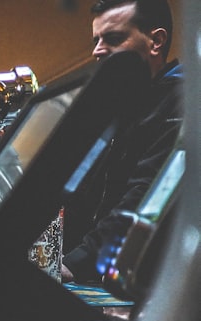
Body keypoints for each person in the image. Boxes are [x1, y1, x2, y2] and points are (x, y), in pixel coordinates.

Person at [62, 0, 182, 284]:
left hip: (149, 286)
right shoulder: (119, 105)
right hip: (100, 275)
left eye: (113, 39)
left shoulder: (184, 100)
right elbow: (78, 194)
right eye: (96, 40)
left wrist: (75, 264)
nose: (97, 51)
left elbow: (144, 194)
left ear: (156, 41)